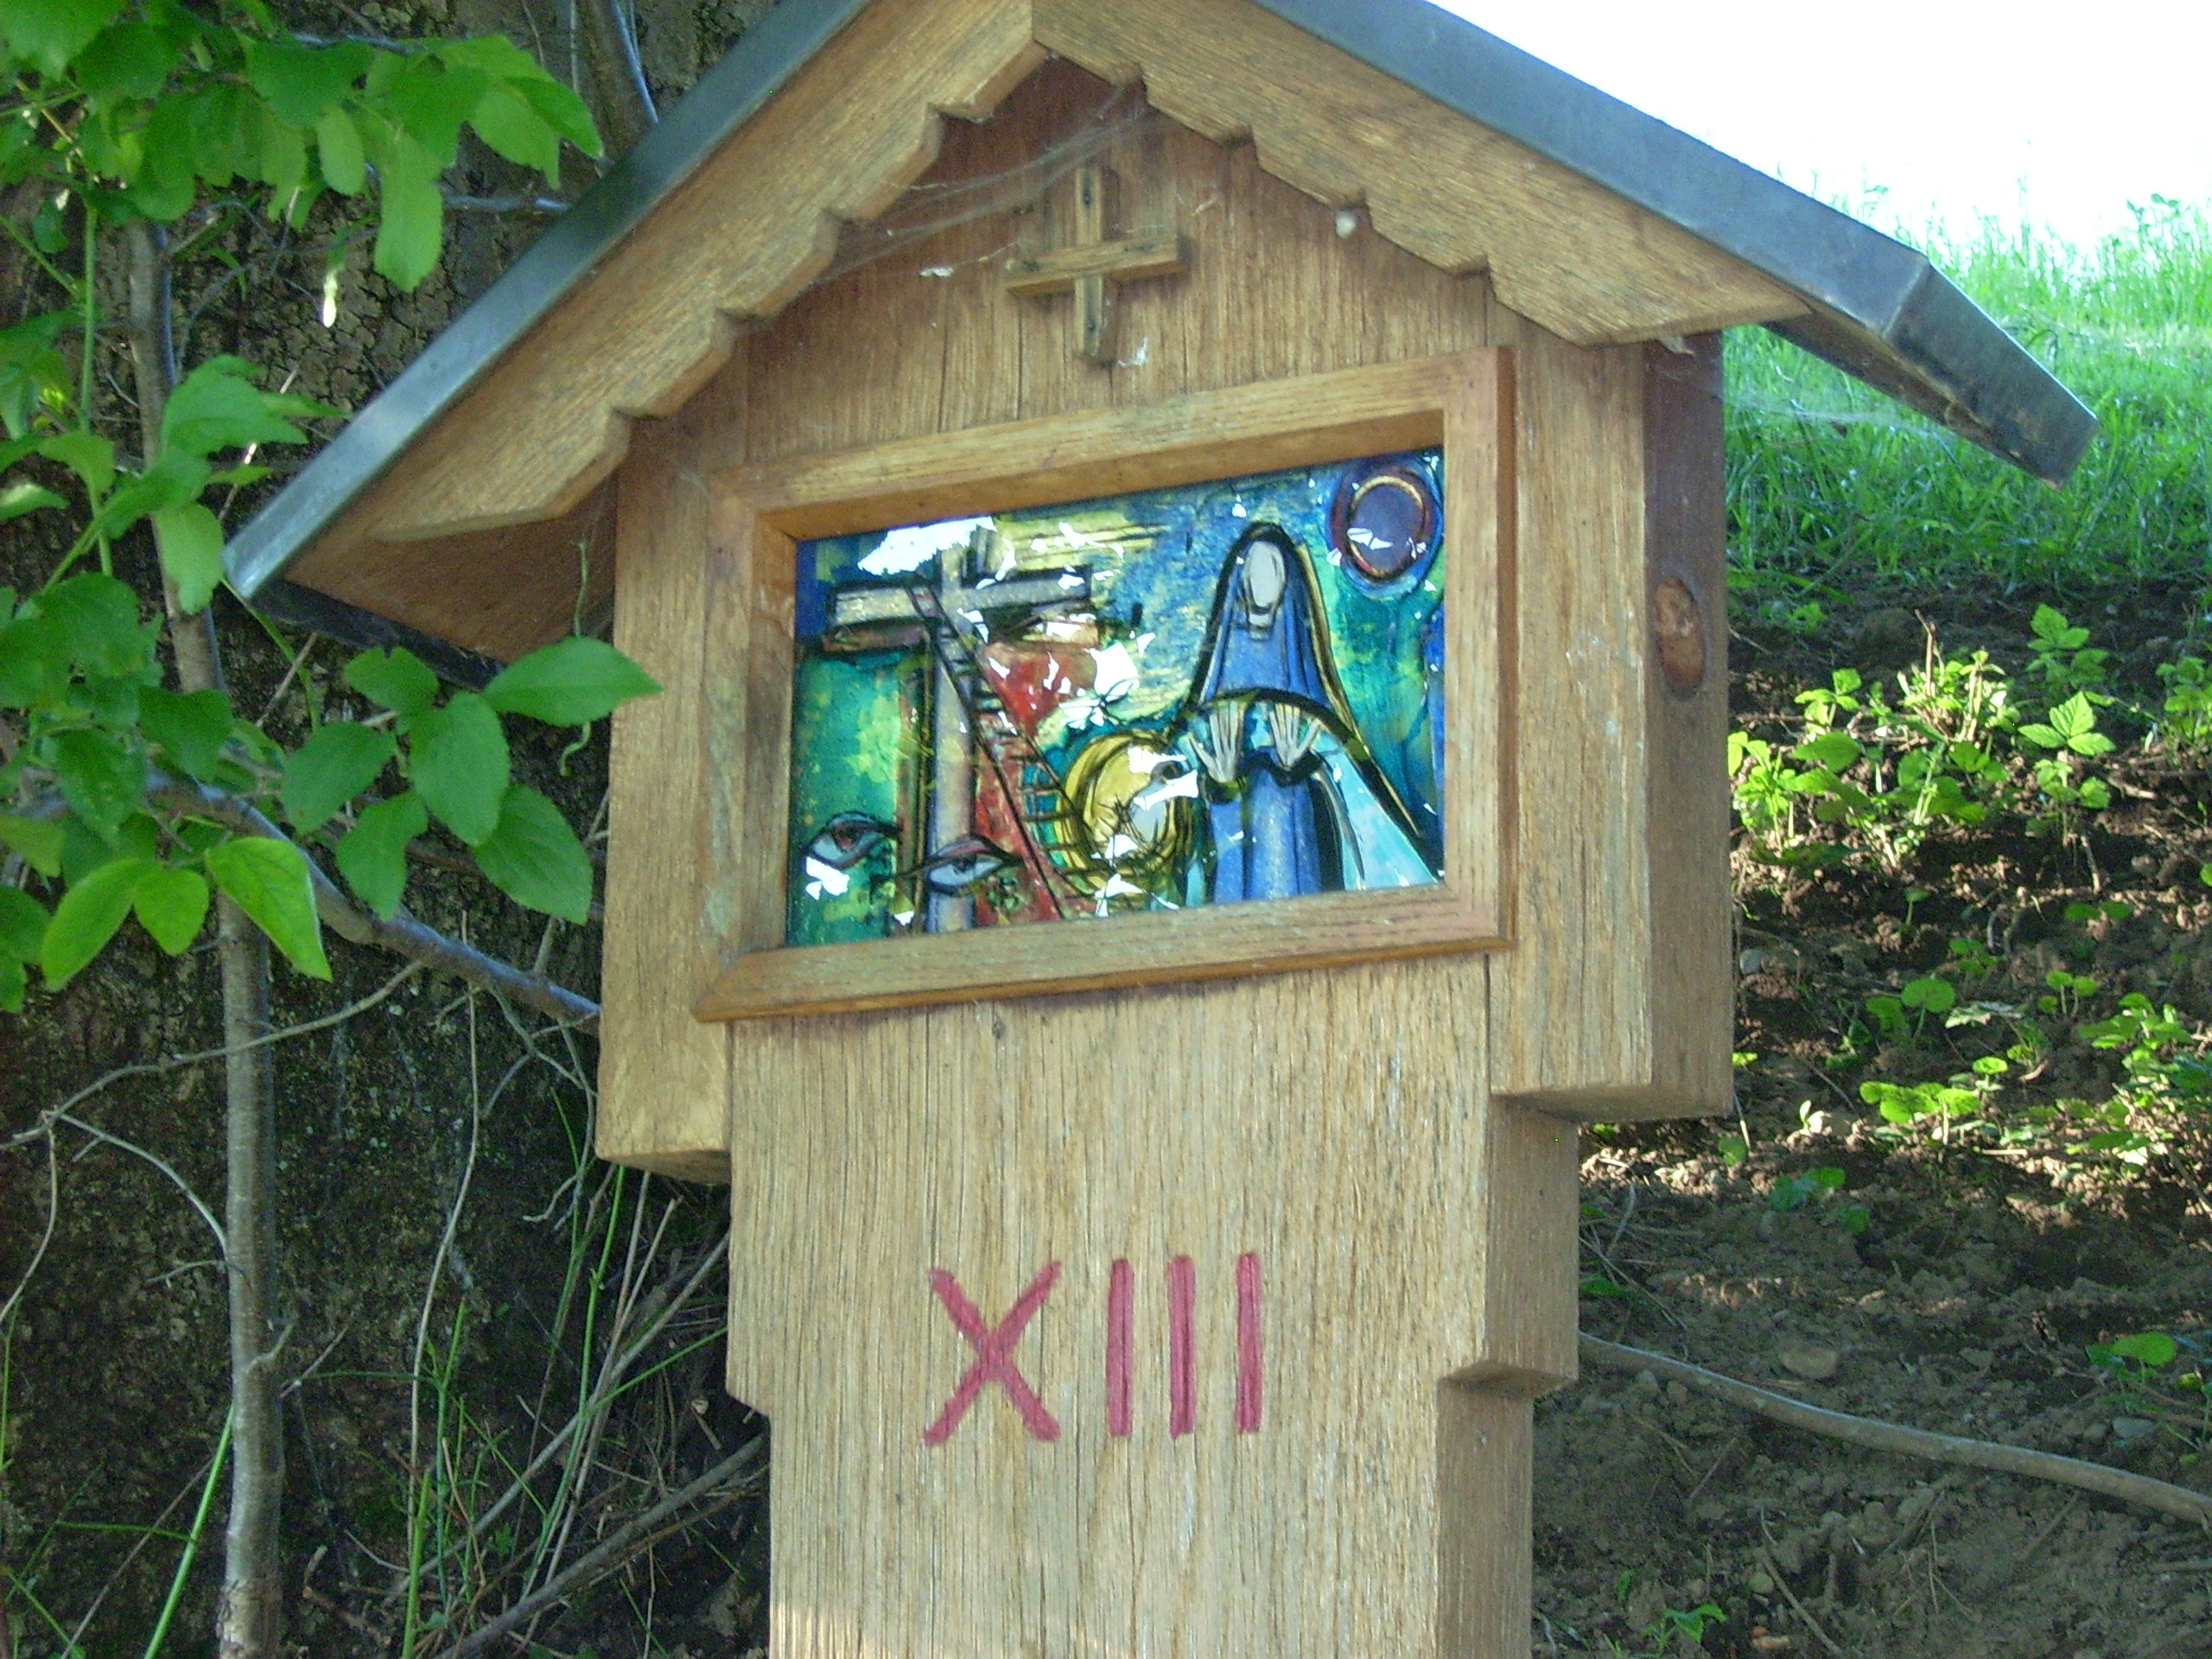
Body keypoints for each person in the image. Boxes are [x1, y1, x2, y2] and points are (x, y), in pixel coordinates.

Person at [1182, 522, 1429, 903]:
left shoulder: (1307, 694)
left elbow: (1348, 786)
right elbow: (1182, 773)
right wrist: (1220, 784)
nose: (1262, 585)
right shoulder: (1211, 699)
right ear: (1238, 583)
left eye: (1273, 570)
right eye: (1254, 571)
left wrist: (1296, 773)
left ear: (1288, 585)